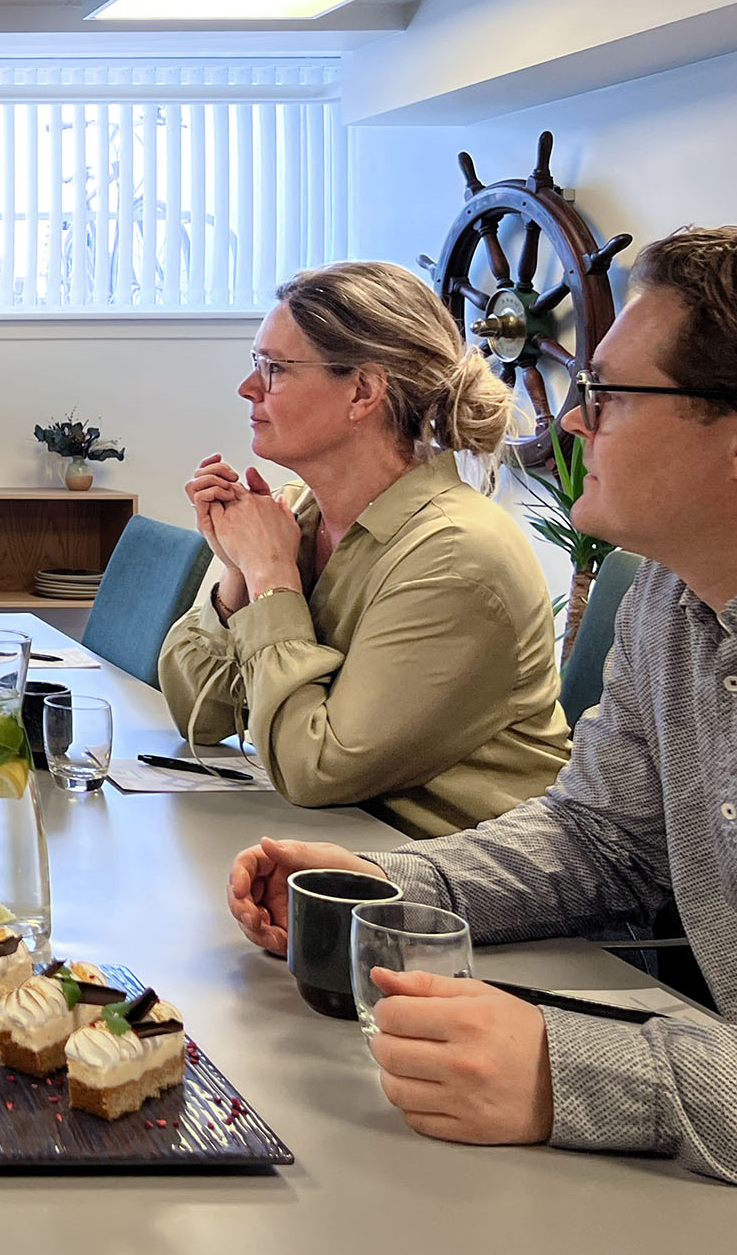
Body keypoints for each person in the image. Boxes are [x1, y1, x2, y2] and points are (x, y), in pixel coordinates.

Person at [224, 226, 737, 1184]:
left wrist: (573, 1069)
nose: (573, 422)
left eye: (609, 393)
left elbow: (319, 762)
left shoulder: (460, 547)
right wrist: (386, 883)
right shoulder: (670, 599)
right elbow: (602, 838)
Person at [158, 260, 570, 836]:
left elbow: (315, 769)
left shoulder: (457, 556)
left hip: (440, 879)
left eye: (274, 368)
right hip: (336, 842)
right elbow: (197, 714)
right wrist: (239, 574)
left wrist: (271, 575)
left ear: (362, 391)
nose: (248, 388)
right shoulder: (300, 515)